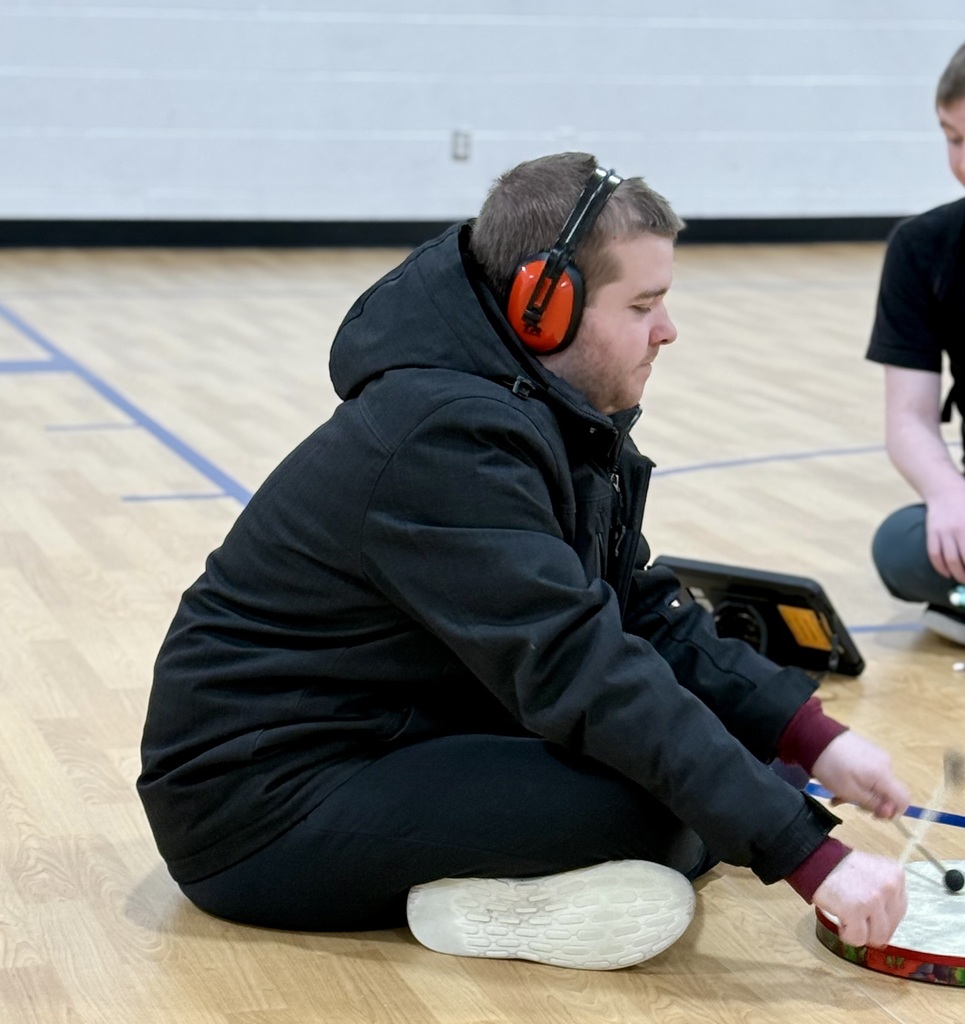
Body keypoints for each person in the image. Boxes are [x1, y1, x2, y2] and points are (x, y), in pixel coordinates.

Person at [138, 152, 910, 972]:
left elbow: (634, 608)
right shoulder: (445, 438)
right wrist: (807, 856)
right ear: (543, 307)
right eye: (642, 304)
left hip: (383, 728)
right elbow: (583, 663)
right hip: (257, 808)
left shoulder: (533, 404)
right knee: (658, 812)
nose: (667, 330)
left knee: (722, 771)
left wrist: (812, 737)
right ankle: (474, 910)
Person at [868, 42, 965, 642]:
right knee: (901, 550)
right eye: (954, 138)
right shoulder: (923, 247)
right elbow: (909, 418)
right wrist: (947, 491)